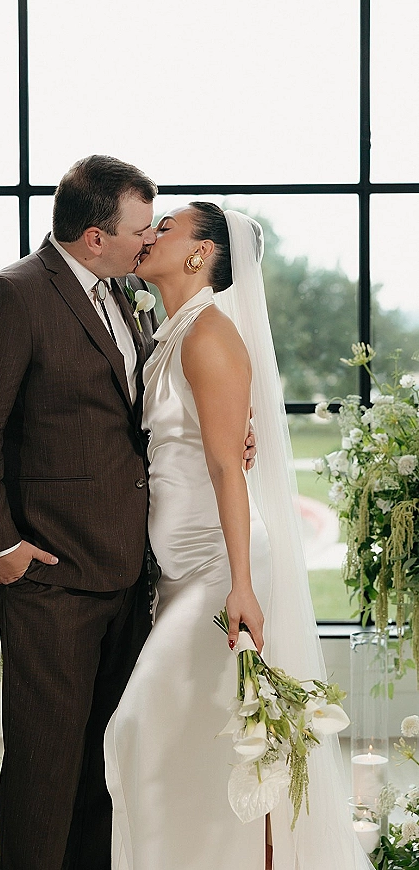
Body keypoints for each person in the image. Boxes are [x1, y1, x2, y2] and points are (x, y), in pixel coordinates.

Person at [0, 155, 257, 870]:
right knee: (44, 775)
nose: (148, 242)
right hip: (50, 579)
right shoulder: (12, 297)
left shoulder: (124, 297)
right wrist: (1, 546)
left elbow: (142, 415)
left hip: (128, 575)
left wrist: (228, 424)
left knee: (101, 775)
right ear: (93, 237)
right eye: (140, 230)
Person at [104, 204, 373, 870]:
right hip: (176, 575)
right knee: (198, 749)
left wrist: (242, 587)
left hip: (218, 574)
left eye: (164, 227)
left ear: (200, 254)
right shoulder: (170, 332)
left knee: (135, 728)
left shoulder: (210, 336)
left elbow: (228, 465)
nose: (148, 235)